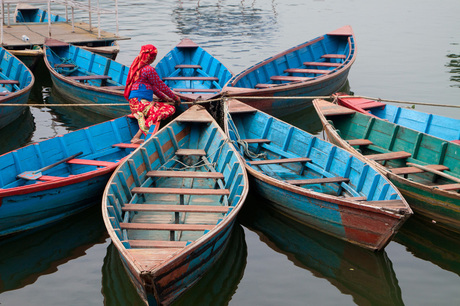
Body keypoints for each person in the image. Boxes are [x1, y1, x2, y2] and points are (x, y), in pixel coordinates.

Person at [124, 44, 181, 144]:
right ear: (150, 57)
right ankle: (139, 137)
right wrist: (175, 97)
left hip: (135, 104)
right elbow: (160, 85)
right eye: (154, 57)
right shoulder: (148, 69)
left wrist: (166, 99)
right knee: (159, 112)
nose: (154, 59)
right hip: (140, 103)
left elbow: (154, 88)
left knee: (169, 107)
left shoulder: (136, 68)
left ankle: (142, 131)